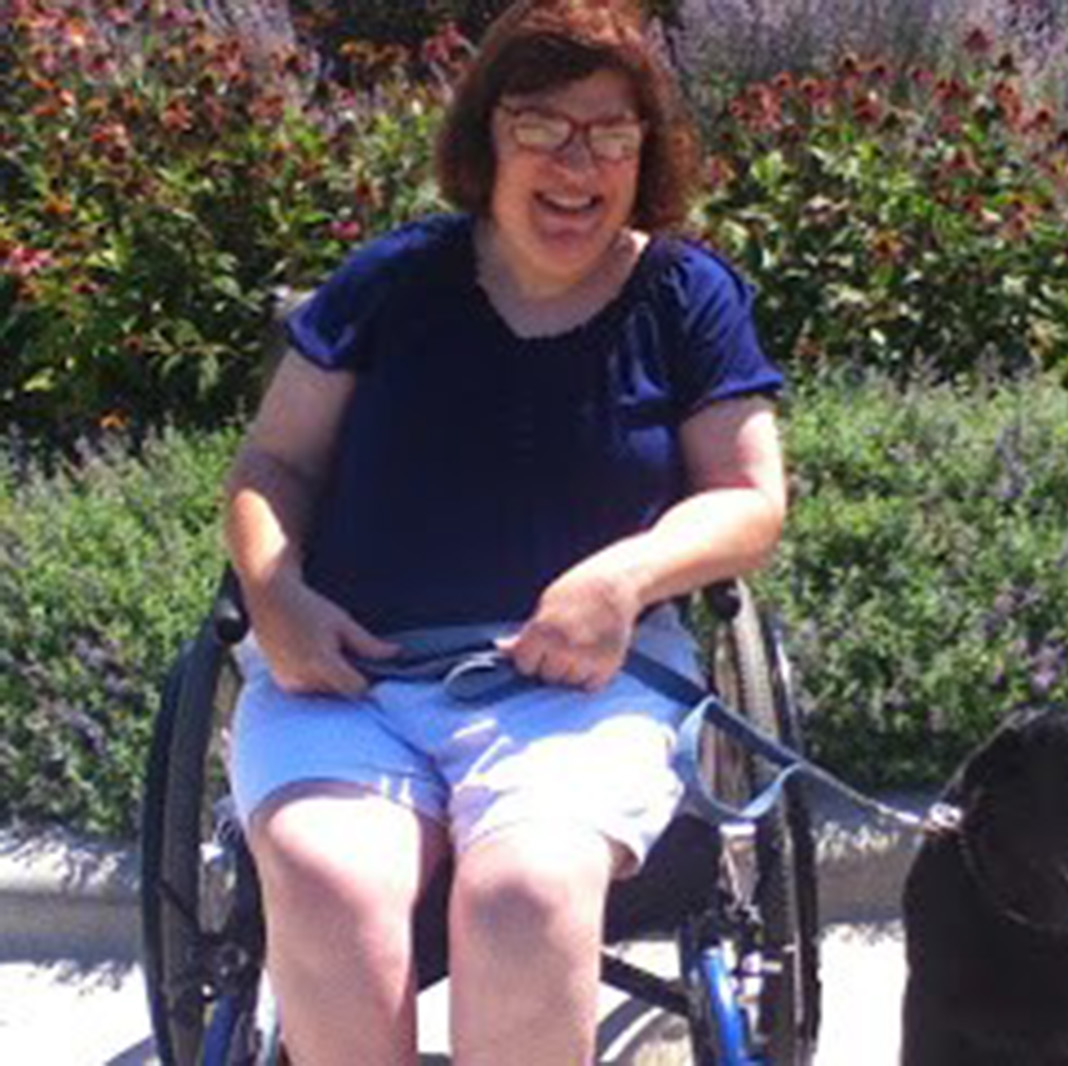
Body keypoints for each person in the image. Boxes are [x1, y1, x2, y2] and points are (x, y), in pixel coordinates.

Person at [220, 1, 787, 1062]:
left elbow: (751, 499)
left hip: (580, 693)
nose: (576, 162)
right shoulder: (392, 282)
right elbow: (271, 464)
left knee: (524, 892)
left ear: (645, 152)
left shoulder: (687, 296)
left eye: (609, 133)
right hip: (356, 683)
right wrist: (274, 593)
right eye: (541, 125)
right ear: (488, 136)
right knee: (328, 876)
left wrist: (622, 577)